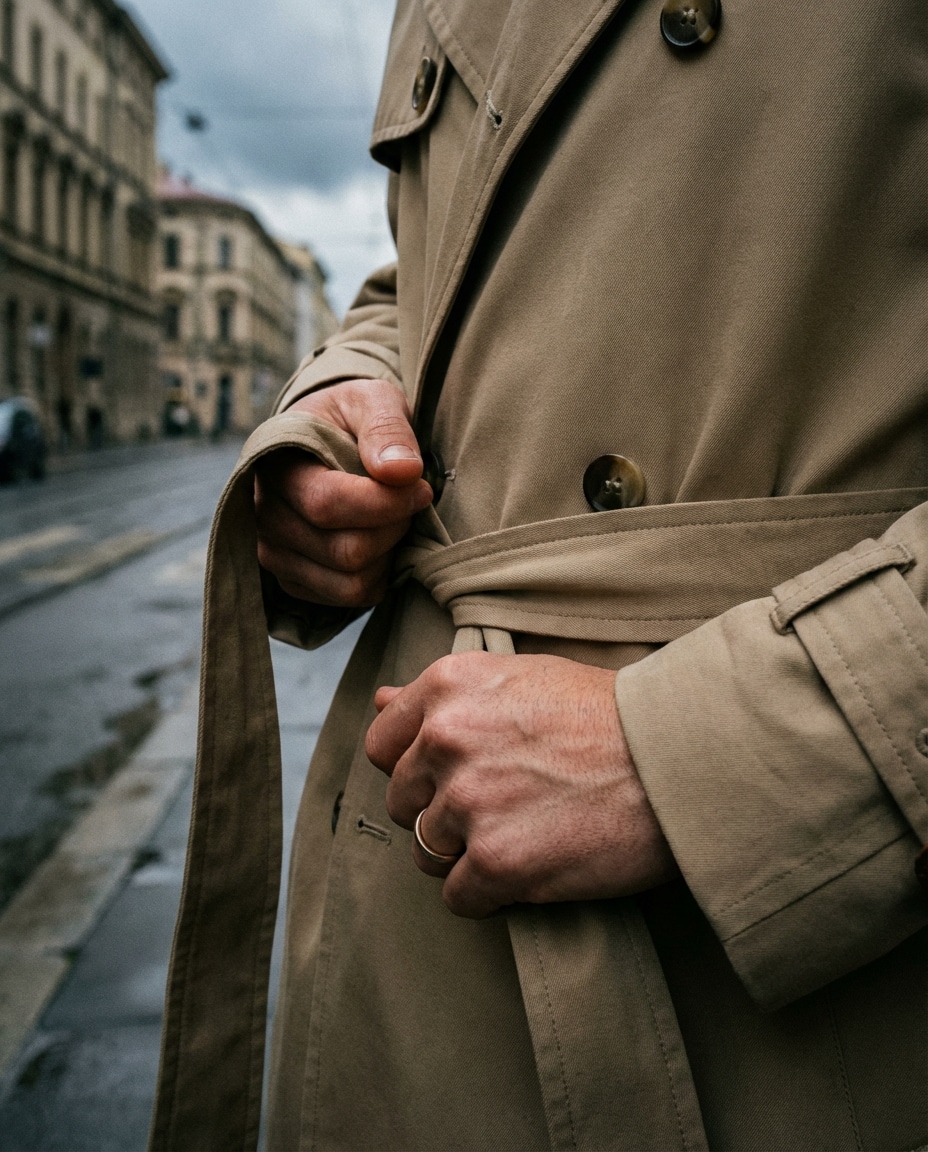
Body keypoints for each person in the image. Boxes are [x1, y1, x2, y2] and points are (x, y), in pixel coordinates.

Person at [151, 1, 927, 1149]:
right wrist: (333, 403)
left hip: (800, 968)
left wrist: (707, 753)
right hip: (406, 882)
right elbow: (435, 278)